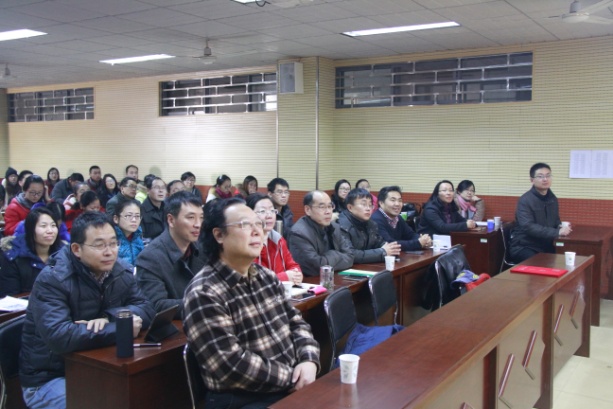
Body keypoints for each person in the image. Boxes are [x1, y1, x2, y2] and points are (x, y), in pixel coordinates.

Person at [183, 197, 319, 409]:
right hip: (242, 398)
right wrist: (293, 377)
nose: (257, 231)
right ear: (219, 235)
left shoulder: (266, 276)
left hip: (288, 384)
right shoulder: (204, 292)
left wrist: (309, 360)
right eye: (245, 225)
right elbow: (230, 365)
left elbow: (296, 322)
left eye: (259, 224)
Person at [19, 211, 155, 409]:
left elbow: (147, 308)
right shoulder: (53, 279)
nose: (109, 252)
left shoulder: (120, 270)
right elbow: (59, 336)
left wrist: (108, 318)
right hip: (50, 377)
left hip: (98, 368)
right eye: (99, 245)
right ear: (76, 249)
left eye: (113, 243)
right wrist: (121, 328)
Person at [136, 191, 207, 319]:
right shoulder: (150, 257)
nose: (198, 224)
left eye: (201, 217)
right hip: (173, 327)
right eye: (191, 217)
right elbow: (157, 305)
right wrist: (203, 303)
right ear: (171, 220)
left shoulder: (201, 248)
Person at [509, 163, 571, 263]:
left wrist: (560, 226)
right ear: (532, 180)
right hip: (525, 246)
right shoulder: (525, 200)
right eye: (540, 176)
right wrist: (557, 232)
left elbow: (555, 220)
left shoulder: (552, 198)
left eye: (548, 175)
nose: (545, 179)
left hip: (546, 244)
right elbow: (528, 227)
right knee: (541, 264)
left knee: (565, 259)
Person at [0, 208, 65, 297]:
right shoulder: (13, 256)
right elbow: (10, 297)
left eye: (53, 225)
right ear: (31, 229)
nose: (50, 231)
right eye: (43, 226)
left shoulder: (64, 253)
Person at [289, 190, 354, 276]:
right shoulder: (299, 233)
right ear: (308, 210)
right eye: (322, 207)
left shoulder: (334, 227)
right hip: (310, 282)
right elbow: (316, 268)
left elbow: (350, 257)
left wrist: (327, 260)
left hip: (333, 278)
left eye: (330, 206)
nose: (328, 211)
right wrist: (334, 254)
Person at [246, 193, 303, 284]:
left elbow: (293, 266)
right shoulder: (247, 243)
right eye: (262, 211)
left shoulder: (277, 239)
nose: (269, 216)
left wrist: (297, 275)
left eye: (272, 210)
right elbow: (254, 280)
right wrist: (284, 277)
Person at [338, 188, 401, 263]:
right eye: (363, 204)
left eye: (370, 205)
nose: (368, 208)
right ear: (350, 207)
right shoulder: (341, 225)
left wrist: (390, 248)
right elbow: (350, 254)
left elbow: (378, 242)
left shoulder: (371, 223)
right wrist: (382, 252)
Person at [372, 186, 432, 251]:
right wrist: (418, 243)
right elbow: (390, 244)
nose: (397, 204)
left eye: (400, 200)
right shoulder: (376, 220)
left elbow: (411, 235)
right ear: (381, 203)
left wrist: (424, 240)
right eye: (393, 200)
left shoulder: (398, 218)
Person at [113, 200, 144, 266]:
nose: (134, 220)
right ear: (116, 219)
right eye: (128, 216)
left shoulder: (140, 239)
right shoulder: (112, 240)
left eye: (137, 216)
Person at [141, 176, 166, 241]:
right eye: (157, 187)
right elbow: (142, 238)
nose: (161, 190)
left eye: (163, 188)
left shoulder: (169, 208)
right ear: (148, 191)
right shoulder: (141, 210)